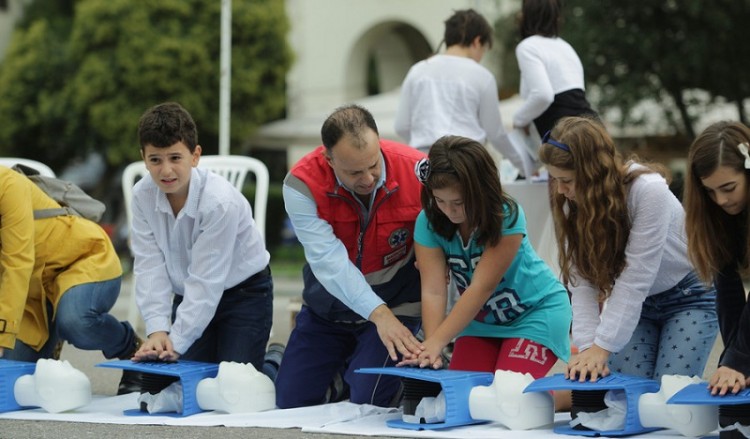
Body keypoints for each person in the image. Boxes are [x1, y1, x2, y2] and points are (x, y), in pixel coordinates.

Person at [537, 116, 718, 383]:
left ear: (592, 173)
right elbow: (582, 283)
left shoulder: (647, 191)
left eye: (567, 180)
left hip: (688, 297)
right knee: (625, 396)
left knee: (665, 395)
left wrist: (603, 346)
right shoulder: (569, 202)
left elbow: (636, 276)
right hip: (639, 308)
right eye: (555, 179)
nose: (561, 190)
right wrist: (588, 348)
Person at [276, 104, 425, 408]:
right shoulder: (300, 184)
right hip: (329, 309)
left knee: (369, 400)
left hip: (398, 304)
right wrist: (378, 314)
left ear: (379, 142)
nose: (368, 179)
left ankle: (372, 374)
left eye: (374, 165)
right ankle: (309, 365)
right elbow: (330, 264)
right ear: (328, 159)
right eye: (354, 172)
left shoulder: (419, 170)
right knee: (291, 401)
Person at [400, 135, 571, 377]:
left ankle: (564, 395)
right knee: (464, 396)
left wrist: (438, 341)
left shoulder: (506, 215)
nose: (449, 211)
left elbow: (481, 287)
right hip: (481, 323)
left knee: (508, 393)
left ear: (481, 190)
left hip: (535, 312)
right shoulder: (428, 221)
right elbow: (433, 290)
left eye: (458, 202)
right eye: (440, 200)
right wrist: (432, 343)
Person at [130, 102, 274, 376]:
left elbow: (207, 280)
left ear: (195, 156)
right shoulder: (142, 195)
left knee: (234, 386)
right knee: (182, 383)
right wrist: (158, 330)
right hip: (187, 296)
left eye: (175, 158)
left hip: (244, 293)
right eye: (155, 160)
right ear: (143, 158)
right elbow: (149, 265)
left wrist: (176, 342)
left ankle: (274, 361)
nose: (166, 170)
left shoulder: (219, 202)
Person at [0, 165, 141, 374]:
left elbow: (18, 263)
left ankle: (130, 346)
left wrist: (3, 335)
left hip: (82, 261)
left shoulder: (8, 184)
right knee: (12, 379)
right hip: (33, 294)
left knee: (76, 322)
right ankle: (53, 333)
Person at [394, 9, 529, 176]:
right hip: (467, 162)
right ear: (477, 41)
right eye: (484, 50)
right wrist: (522, 165)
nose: (480, 56)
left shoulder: (417, 71)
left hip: (423, 163)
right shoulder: (482, 76)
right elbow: (495, 133)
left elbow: (401, 126)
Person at [684, 120, 750, 396]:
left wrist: (739, 360)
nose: (720, 200)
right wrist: (730, 363)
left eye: (728, 187)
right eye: (710, 192)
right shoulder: (718, 215)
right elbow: (728, 290)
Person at [513, 0, 597, 139]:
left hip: (563, 134)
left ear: (528, 16)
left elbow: (543, 95)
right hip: (591, 127)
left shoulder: (527, 47)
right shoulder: (565, 46)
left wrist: (519, 120)